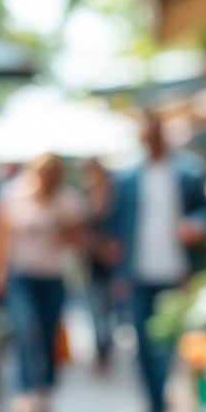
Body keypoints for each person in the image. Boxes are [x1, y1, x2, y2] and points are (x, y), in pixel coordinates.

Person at [108, 111, 206, 412]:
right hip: (138, 273)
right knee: (141, 341)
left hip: (176, 271)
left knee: (169, 343)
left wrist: (195, 225)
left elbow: (205, 209)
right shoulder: (125, 179)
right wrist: (117, 273)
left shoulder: (188, 172)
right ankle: (154, 403)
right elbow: (116, 227)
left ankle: (164, 396)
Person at [0, 154, 87, 412]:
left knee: (50, 336)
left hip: (53, 276)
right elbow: (1, 237)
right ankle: (25, 394)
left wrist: (63, 229)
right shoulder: (14, 194)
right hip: (22, 275)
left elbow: (78, 241)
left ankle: (44, 395)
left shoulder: (66, 199)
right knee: (26, 330)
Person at [81, 159, 119, 372]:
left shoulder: (115, 198)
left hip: (112, 265)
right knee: (96, 311)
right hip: (92, 265)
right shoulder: (84, 200)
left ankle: (106, 349)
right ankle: (101, 351)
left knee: (110, 312)